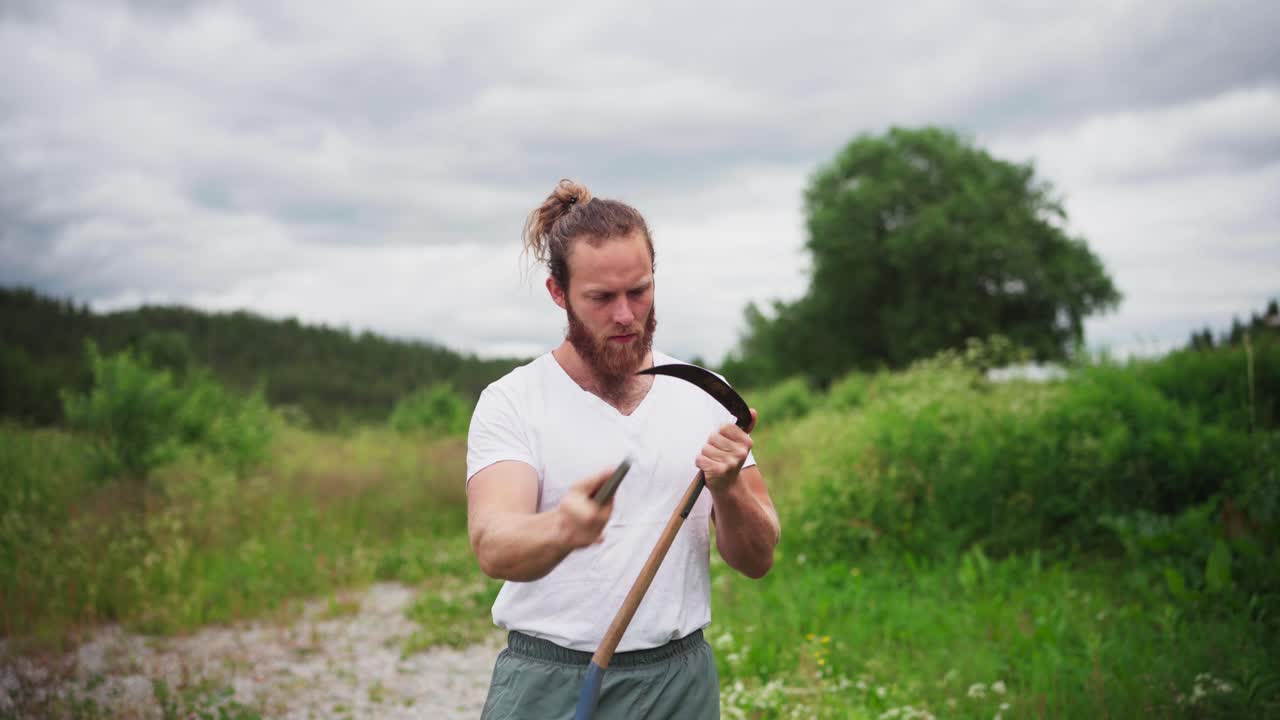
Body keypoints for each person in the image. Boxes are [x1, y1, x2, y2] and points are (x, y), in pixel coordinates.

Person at [466, 179, 780, 719]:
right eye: (601, 298)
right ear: (558, 293)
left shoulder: (702, 395)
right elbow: (493, 544)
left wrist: (728, 491)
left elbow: (758, 558)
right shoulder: (513, 401)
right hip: (552, 682)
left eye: (639, 290)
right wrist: (563, 528)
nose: (625, 315)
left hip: (679, 683)